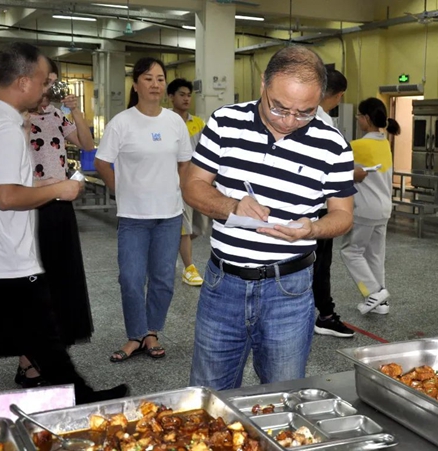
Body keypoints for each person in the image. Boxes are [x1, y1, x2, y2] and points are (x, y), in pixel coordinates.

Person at [0, 42, 127, 426]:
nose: (46, 90)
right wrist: (59, 189)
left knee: (40, 342)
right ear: (24, 81)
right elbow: (7, 197)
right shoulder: (3, 127)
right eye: (42, 81)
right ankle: (85, 400)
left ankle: (84, 398)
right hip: (2, 261)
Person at [183, 45, 355, 390]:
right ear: (263, 83)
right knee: (210, 393)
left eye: (305, 112)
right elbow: (192, 186)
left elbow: (343, 215)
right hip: (223, 285)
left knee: (283, 392)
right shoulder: (224, 123)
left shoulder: (333, 145)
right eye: (279, 107)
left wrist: (314, 228)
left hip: (289, 291)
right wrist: (230, 206)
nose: (289, 121)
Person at [2, 57, 96, 388]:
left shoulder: (57, 115)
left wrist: (76, 110)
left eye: (53, 83)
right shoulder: (16, 119)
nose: (48, 90)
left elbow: (87, 145)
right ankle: (26, 360)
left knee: (59, 282)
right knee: (30, 284)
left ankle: (55, 356)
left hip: (59, 206)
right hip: (28, 208)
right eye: (45, 82)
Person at [95, 57, 192, 363]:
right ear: (136, 84)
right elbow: (102, 161)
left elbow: (185, 160)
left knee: (163, 278)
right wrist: (119, 190)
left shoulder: (174, 122)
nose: (155, 84)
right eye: (148, 78)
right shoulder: (121, 122)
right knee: (131, 278)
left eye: (160, 79)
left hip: (168, 214)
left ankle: (151, 332)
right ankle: (135, 335)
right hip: (134, 217)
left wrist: (176, 186)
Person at [340, 97, 400, 315]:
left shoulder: (358, 146)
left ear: (365, 118)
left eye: (359, 116)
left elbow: (339, 172)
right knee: (375, 255)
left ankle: (374, 292)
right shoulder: (384, 142)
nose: (357, 119)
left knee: (351, 251)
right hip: (384, 208)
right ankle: (379, 303)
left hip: (365, 210)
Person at [312, 69, 355, 338]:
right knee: (319, 262)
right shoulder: (325, 123)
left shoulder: (303, 115)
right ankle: (324, 315)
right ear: (338, 96)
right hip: (318, 206)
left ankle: (317, 311)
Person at [167, 78, 209, 287]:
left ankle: (166, 247)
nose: (186, 98)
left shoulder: (198, 123)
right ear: (171, 97)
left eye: (188, 95)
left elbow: (206, 153)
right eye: (181, 94)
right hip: (174, 182)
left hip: (197, 182)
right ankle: (189, 268)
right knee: (184, 226)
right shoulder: (165, 121)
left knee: (199, 227)